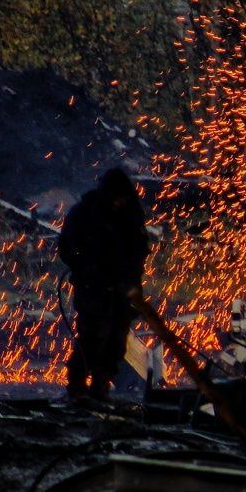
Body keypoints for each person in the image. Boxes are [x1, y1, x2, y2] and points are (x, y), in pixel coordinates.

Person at [58, 167, 151, 400]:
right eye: (116, 198)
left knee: (117, 340)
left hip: (123, 290)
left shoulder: (131, 215)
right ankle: (77, 385)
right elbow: (68, 247)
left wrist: (131, 285)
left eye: (122, 198)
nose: (118, 203)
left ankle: (101, 386)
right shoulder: (85, 213)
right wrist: (89, 270)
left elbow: (139, 252)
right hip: (93, 288)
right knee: (92, 336)